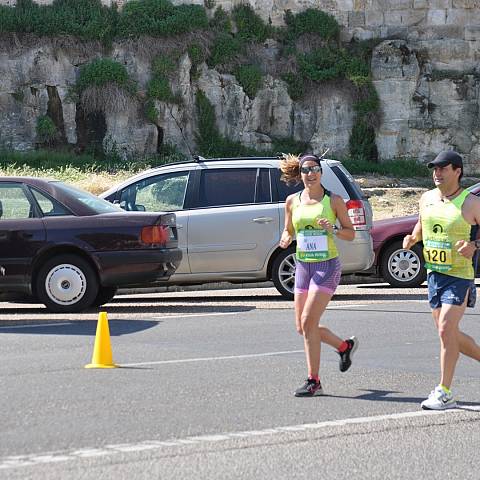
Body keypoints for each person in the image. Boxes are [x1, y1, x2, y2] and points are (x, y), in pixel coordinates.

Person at [403, 150, 480, 410]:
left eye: (443, 168)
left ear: (457, 171)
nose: (437, 173)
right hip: (434, 274)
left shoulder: (470, 202)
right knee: (448, 334)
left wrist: (474, 245)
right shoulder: (427, 198)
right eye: (434, 169)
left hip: (459, 276)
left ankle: (445, 391)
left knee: (447, 329)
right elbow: (422, 222)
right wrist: (413, 237)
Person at [279, 153, 358, 397]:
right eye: (305, 170)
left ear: (321, 172)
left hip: (326, 267)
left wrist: (332, 228)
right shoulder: (292, 201)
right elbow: (288, 230)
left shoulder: (333, 200)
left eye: (314, 169)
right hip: (303, 267)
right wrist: (285, 238)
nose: (310, 174)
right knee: (303, 328)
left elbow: (350, 233)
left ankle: (314, 380)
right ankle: (344, 347)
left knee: (308, 322)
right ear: (300, 174)